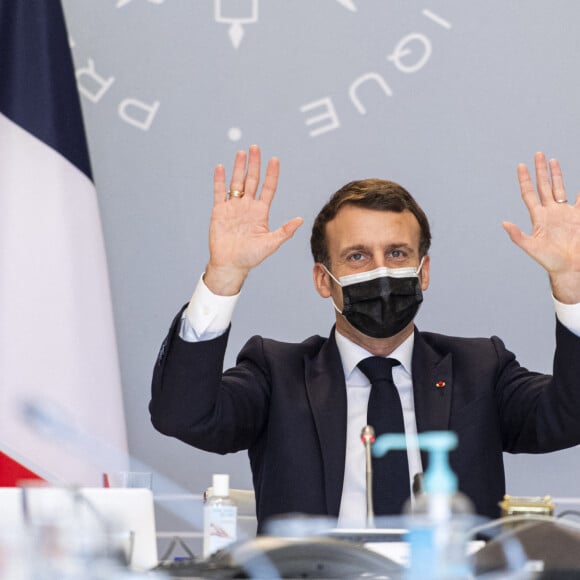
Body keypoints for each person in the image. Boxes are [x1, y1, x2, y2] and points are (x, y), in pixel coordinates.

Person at [150, 145, 580, 531]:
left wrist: (572, 286)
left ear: (423, 271)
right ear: (324, 279)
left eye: (397, 254)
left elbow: (569, 415)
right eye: (357, 257)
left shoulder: (480, 368)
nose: (380, 270)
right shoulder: (276, 373)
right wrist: (224, 276)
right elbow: (182, 415)